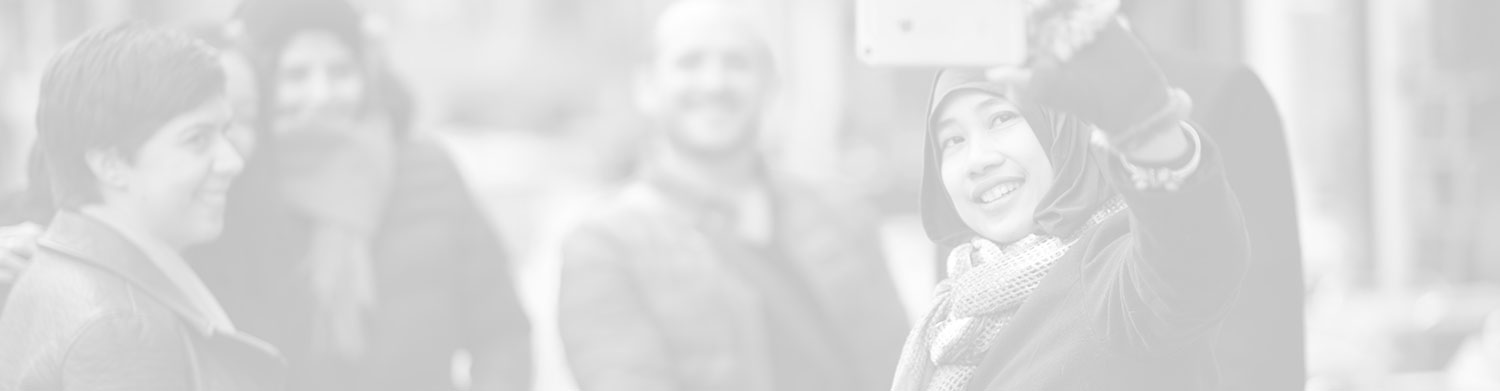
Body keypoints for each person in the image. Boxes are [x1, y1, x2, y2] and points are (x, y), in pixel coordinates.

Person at [891, 2, 1252, 389]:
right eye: (953, 140)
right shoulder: (953, 317)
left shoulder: (1116, 284)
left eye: (1001, 118)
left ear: (1061, 127)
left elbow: (1192, 258)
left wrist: (1147, 128)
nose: (976, 160)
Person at [556, 1, 910, 390]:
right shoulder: (605, 246)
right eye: (690, 63)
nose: (714, 83)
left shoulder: (843, 216)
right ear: (646, 87)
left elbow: (905, 367)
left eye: (736, 63)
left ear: (771, 84)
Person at [186, 0, 535, 390]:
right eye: (295, 75)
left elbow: (502, 333)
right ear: (262, 82)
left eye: (340, 71)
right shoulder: (234, 182)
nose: (321, 94)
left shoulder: (428, 173)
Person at [0, 22, 283, 389]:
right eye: (197, 139)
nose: (232, 161)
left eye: (224, 131)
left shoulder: (70, 263)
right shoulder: (120, 327)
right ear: (110, 163)